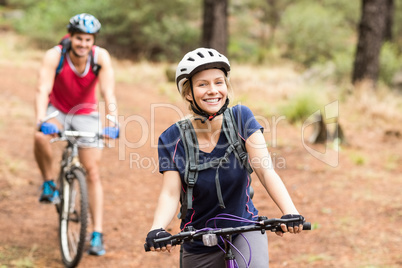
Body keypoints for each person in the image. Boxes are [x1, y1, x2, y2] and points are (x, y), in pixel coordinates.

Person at [145, 48, 305, 267]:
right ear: (188, 93)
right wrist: (157, 228)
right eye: (203, 84)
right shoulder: (172, 138)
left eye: (219, 82)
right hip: (198, 240)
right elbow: (170, 193)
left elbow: (266, 171)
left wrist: (290, 212)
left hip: (245, 230)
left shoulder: (242, 118)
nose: (213, 91)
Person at [34, 13, 119, 256]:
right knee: (40, 137)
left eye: (88, 40)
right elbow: (42, 88)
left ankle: (97, 233)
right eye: (79, 39)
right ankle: (50, 183)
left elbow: (108, 93)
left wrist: (112, 122)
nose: (83, 44)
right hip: (57, 110)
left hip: (86, 112)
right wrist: (41, 119)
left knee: (92, 172)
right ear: (70, 37)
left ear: (94, 41)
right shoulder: (55, 55)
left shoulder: (100, 57)